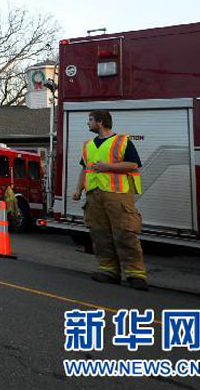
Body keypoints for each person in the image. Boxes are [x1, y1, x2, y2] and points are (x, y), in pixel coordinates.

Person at [72, 109, 147, 290]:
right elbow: (85, 170)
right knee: (100, 233)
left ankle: (135, 275)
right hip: (94, 196)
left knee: (125, 233)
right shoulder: (88, 145)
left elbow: (133, 164)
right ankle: (108, 271)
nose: (87, 123)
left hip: (117, 195)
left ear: (100, 122)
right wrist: (78, 189)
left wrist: (108, 167)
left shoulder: (122, 141)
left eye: (90, 120)